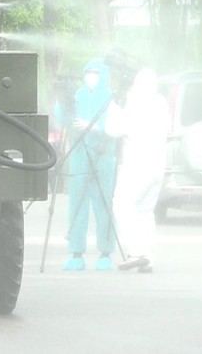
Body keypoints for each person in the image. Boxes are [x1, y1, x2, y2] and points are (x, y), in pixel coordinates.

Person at [106, 68, 169, 273]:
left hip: (137, 165)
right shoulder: (161, 103)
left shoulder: (136, 104)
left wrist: (114, 106)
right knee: (144, 211)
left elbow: (113, 129)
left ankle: (137, 252)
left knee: (122, 204)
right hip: (157, 167)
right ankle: (147, 257)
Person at [63, 58, 118, 271]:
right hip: (79, 156)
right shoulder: (78, 96)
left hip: (104, 156)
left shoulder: (110, 97)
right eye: (88, 72)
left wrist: (95, 127)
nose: (91, 76)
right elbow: (65, 120)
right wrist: (62, 102)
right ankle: (76, 253)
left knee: (103, 204)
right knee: (77, 205)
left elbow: (115, 126)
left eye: (95, 72)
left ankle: (106, 252)